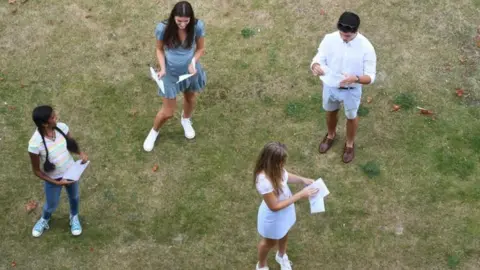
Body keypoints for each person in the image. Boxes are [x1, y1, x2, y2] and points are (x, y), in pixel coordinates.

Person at [310, 11, 377, 163]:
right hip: (330, 86)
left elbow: (371, 76)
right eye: (342, 34)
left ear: (356, 31)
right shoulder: (329, 39)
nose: (344, 37)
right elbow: (319, 58)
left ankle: (349, 144)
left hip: (351, 90)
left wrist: (356, 78)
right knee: (330, 111)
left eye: (348, 35)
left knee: (351, 117)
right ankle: (331, 135)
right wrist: (315, 65)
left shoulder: (366, 47)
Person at [143, 1, 206, 152]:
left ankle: (185, 120)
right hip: (170, 73)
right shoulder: (163, 28)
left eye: (186, 21)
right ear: (173, 18)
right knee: (167, 112)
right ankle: (154, 132)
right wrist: (163, 68)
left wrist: (192, 62)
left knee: (190, 98)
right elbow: (159, 50)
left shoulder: (197, 26)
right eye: (179, 21)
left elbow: (201, 48)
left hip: (189, 72)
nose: (183, 24)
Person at [253, 142, 319, 270]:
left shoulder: (275, 168)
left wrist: (302, 179)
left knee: (284, 233)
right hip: (273, 217)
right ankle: (261, 266)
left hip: (286, 209)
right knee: (269, 243)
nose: (283, 164)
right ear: (271, 161)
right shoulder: (263, 181)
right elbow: (274, 207)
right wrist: (300, 195)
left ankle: (281, 256)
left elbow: (285, 176)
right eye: (281, 162)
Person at [28, 105, 89, 237]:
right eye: (53, 117)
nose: (57, 118)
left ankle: (74, 217)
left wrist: (80, 153)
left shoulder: (62, 127)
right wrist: (55, 183)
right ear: (44, 124)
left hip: (71, 173)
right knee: (51, 204)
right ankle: (44, 219)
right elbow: (37, 171)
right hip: (53, 179)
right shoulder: (34, 144)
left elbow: (71, 143)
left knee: (74, 197)